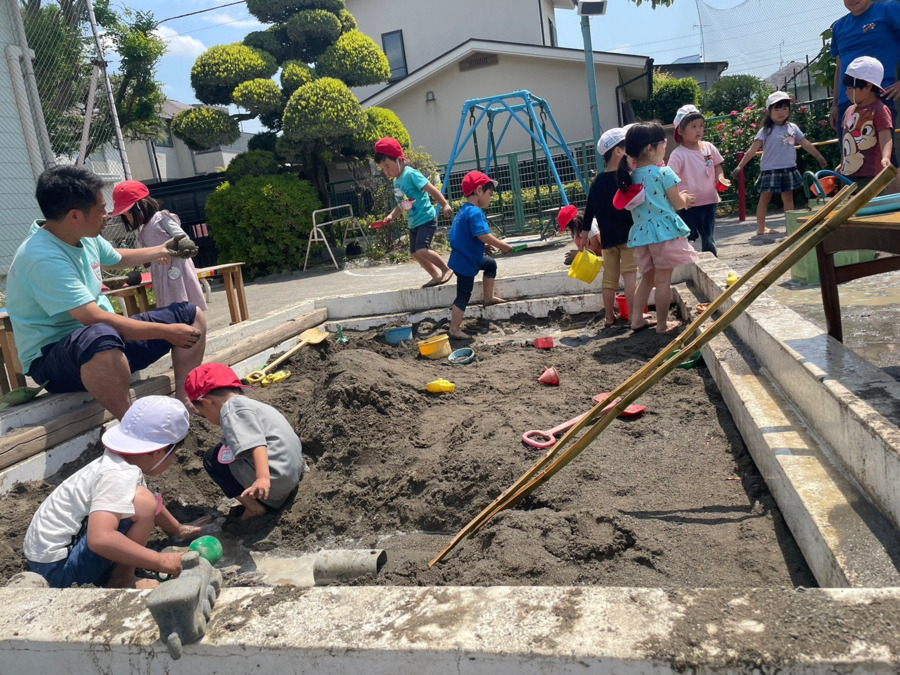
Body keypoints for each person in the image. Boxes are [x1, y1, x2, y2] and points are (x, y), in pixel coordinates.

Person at [5, 166, 206, 420]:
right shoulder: (41, 257)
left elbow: (116, 258)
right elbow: (92, 318)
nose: (107, 215)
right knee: (101, 336)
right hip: (53, 360)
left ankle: (185, 401)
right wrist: (166, 332)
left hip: (104, 341)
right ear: (75, 215)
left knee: (190, 314)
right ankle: (132, 424)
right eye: (101, 209)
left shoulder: (83, 235)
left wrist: (163, 250)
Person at [23, 396, 201, 589]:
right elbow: (100, 539)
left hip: (46, 559)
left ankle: (110, 572)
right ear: (161, 451)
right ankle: (122, 580)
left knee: (143, 500)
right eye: (173, 454)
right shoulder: (117, 475)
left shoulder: (119, 461)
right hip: (60, 571)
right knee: (143, 502)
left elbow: (152, 507)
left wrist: (177, 529)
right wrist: (161, 561)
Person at [185, 363, 303, 520]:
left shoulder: (230, 410)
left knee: (212, 460)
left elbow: (256, 444)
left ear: (207, 403)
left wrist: (262, 478)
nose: (206, 418)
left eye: (203, 414)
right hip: (293, 475)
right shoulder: (249, 404)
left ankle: (254, 507)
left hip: (275, 484)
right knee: (225, 449)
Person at [616, 122, 699, 335]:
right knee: (663, 281)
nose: (666, 146)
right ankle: (662, 325)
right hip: (663, 233)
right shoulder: (663, 172)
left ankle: (636, 319)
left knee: (647, 279)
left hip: (642, 236)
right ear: (649, 149)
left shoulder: (631, 176)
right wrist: (686, 199)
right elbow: (677, 203)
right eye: (663, 142)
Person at [731, 92, 827, 236]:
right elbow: (752, 150)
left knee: (788, 198)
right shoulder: (765, 130)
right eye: (776, 109)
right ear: (769, 111)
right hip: (770, 170)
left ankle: (790, 227)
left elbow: (805, 143)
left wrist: (819, 156)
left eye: (784, 108)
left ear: (789, 110)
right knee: (765, 198)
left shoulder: (792, 128)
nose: (781, 112)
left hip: (788, 168)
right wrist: (740, 166)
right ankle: (761, 228)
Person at [829, 0, 900, 192]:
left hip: (880, 97)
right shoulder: (839, 26)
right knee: (851, 162)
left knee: (887, 159)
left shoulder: (889, 9)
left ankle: (895, 209)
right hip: (846, 104)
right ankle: (861, 210)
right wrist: (835, 104)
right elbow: (840, 66)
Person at [111, 180, 207, 311]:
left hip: (178, 270)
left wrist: (167, 251)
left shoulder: (160, 219)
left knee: (185, 306)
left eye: (129, 213)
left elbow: (184, 239)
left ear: (143, 204)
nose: (128, 218)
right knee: (170, 309)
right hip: (161, 275)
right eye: (124, 215)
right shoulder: (143, 231)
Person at [374, 137, 454, 288]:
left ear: (399, 160)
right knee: (415, 253)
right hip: (414, 222)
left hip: (426, 219)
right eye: (383, 168)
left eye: (388, 166)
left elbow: (432, 189)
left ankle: (446, 269)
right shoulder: (396, 181)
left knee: (422, 249)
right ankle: (435, 276)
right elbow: (401, 204)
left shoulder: (411, 174)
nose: (386, 172)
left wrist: (444, 204)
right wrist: (391, 216)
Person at [447, 171, 513, 340]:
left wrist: (482, 248)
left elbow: (464, 237)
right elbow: (482, 234)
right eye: (489, 193)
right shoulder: (475, 212)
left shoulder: (463, 211)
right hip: (466, 262)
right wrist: (502, 245)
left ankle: (488, 298)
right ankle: (454, 329)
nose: (490, 198)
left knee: (490, 264)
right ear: (478, 191)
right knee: (463, 295)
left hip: (464, 258)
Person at [583, 128, 638, 328]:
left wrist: (584, 235)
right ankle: (634, 316)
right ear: (618, 151)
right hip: (629, 235)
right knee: (630, 274)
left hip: (608, 240)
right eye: (627, 148)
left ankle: (609, 317)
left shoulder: (597, 182)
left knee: (609, 279)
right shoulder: (627, 177)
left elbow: (589, 210)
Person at [667, 105, 726, 257]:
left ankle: (712, 262)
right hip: (689, 204)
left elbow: (717, 165)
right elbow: (670, 177)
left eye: (701, 125)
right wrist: (678, 197)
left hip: (710, 200)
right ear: (680, 131)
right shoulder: (678, 154)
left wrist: (720, 178)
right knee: (688, 237)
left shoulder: (709, 147)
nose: (699, 130)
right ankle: (688, 263)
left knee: (709, 236)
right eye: (693, 126)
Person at [837, 56, 895, 188]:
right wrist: (842, 163)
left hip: (870, 175)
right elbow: (846, 140)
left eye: (851, 88)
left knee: (871, 201)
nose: (847, 92)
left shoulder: (879, 109)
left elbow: (886, 137)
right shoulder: (849, 110)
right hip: (848, 175)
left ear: (868, 86)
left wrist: (886, 157)